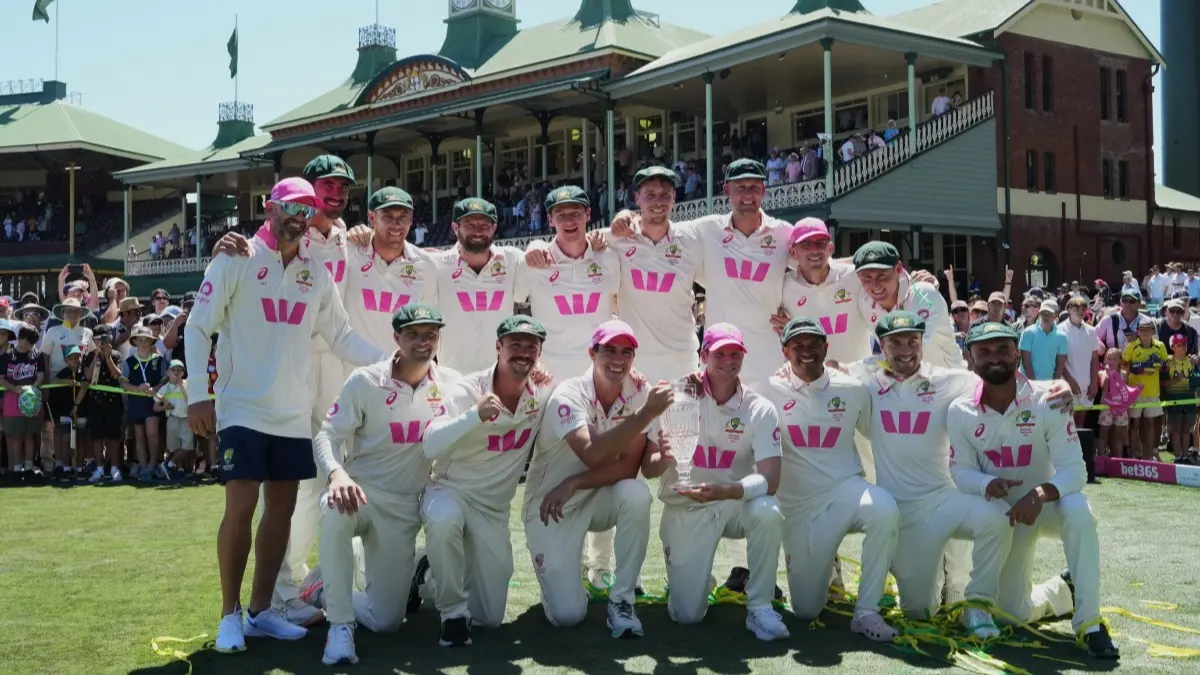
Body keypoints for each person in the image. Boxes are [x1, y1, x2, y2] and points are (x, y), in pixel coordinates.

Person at [185, 177, 387, 654]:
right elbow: (198, 327)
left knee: (281, 511)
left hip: (294, 412)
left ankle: (260, 612)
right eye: (291, 207)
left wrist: (390, 361)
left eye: (307, 209)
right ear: (270, 208)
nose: (299, 216)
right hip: (242, 408)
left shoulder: (315, 272)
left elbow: (341, 337)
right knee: (240, 510)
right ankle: (229, 615)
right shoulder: (235, 257)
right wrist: (199, 394)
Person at [213, 156, 361, 627]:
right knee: (259, 501)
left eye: (341, 188)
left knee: (303, 490)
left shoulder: (345, 241)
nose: (332, 196)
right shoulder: (248, 249)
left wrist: (396, 360)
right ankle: (256, 603)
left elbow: (342, 331)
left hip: (316, 378)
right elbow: (209, 314)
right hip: (261, 389)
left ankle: (274, 600)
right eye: (324, 187)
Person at [948, 321, 1119, 659]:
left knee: (1079, 513)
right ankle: (1062, 591)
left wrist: (1041, 493)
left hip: (1045, 506)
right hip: (1005, 518)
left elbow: (1076, 470)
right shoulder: (960, 410)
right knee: (1013, 613)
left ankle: (1090, 624)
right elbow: (960, 470)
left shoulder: (1049, 399)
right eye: (984, 351)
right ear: (971, 357)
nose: (994, 358)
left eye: (1003, 350)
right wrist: (985, 483)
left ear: (1017, 354)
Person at [305, 304, 461, 666]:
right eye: (413, 334)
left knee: (386, 621)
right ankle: (340, 627)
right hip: (359, 492)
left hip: (404, 507)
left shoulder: (452, 385)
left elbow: (492, 384)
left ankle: (324, 588)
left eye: (431, 334)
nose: (423, 342)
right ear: (396, 338)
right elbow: (327, 436)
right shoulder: (365, 381)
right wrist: (336, 474)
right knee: (334, 507)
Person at [847, 312, 1010, 637]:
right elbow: (826, 375)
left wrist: (1054, 387)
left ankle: (976, 605)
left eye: (912, 341)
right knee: (920, 612)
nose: (905, 350)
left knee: (998, 516)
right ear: (882, 345)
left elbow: (1002, 381)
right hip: (902, 512)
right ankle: (917, 577)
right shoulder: (865, 381)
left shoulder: (948, 380)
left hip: (943, 500)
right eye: (895, 342)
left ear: (922, 343)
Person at [522, 320, 673, 638]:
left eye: (626, 352)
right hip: (551, 504)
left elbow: (629, 467)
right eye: (610, 350)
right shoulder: (568, 394)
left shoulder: (639, 392)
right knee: (567, 616)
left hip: (590, 495)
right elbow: (591, 453)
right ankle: (563, 574)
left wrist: (574, 483)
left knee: (636, 494)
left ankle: (623, 601)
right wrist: (645, 414)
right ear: (592, 353)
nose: (618, 359)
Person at [641, 323, 789, 641]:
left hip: (734, 501)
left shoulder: (759, 407)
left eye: (735, 353)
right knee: (686, 616)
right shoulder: (674, 396)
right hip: (687, 506)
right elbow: (649, 470)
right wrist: (665, 456)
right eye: (719, 353)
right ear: (703, 355)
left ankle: (761, 606)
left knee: (767, 510)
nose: (728, 360)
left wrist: (728, 490)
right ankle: (695, 577)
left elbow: (771, 479)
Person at [764, 317, 900, 642]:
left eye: (814, 345)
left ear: (826, 348)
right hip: (798, 509)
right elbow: (728, 391)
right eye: (798, 346)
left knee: (884, 509)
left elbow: (878, 431)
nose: (807, 352)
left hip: (845, 492)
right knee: (807, 610)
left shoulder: (851, 389)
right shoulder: (768, 389)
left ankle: (866, 612)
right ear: (785, 350)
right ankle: (827, 570)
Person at [420, 316, 553, 647]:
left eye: (531, 346)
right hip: (449, 490)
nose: (523, 353)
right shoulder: (469, 390)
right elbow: (430, 444)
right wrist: (474, 415)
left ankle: (423, 575)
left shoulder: (542, 391)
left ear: (539, 352)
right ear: (498, 347)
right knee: (444, 518)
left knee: (489, 618)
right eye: (514, 345)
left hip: (493, 510)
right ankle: (451, 613)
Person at [518, 186, 619, 379]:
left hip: (600, 378)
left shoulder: (609, 258)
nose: (569, 221)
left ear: (588, 214)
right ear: (550, 220)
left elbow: (634, 230)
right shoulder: (533, 263)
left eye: (575, 213)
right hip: (550, 378)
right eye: (561, 215)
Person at [427, 198, 527, 374]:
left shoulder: (512, 260)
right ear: (455, 228)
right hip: (453, 376)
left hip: (501, 375)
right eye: (470, 225)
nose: (478, 231)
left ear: (494, 228)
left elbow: (545, 253)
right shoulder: (436, 265)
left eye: (484, 225)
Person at [120, 325, 166, 481]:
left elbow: (165, 378)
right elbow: (123, 382)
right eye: (140, 340)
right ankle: (144, 467)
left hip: (152, 402)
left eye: (146, 340)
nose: (143, 343)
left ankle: (153, 465)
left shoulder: (158, 360)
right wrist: (137, 388)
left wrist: (156, 388)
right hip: (136, 402)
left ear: (151, 342)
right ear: (135, 342)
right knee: (139, 436)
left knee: (152, 434)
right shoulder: (129, 361)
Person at [0, 322, 45, 479]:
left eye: (32, 343)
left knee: (30, 434)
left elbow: (40, 375)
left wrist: (32, 389)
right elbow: (1, 379)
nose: (29, 346)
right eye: (27, 342)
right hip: (12, 400)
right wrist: (16, 390)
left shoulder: (37, 355)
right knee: (15, 435)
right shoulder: (7, 356)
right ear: (20, 339)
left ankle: (28, 467)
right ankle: (16, 469)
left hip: (32, 400)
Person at [1122, 321, 1167, 460]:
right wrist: (1136, 368)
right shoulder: (1131, 346)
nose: (1145, 333)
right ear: (1138, 332)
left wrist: (1161, 366)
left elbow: (1166, 366)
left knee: (1150, 424)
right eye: (1142, 330)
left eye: (1148, 330)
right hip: (1135, 392)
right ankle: (1134, 454)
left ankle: (1149, 455)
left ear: (1153, 331)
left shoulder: (1160, 346)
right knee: (1134, 424)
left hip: (1152, 392)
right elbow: (1124, 364)